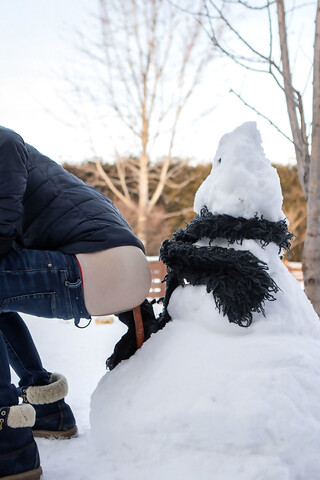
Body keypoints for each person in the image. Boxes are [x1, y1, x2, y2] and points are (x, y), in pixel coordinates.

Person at [0, 126, 161, 480]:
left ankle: (7, 444)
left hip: (102, 266)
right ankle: (47, 409)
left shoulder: (3, 142)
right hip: (118, 269)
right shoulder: (40, 171)